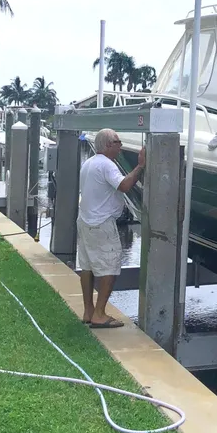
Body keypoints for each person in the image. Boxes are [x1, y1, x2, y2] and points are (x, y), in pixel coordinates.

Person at [77, 128, 145, 328]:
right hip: (101, 223)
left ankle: (88, 310)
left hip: (85, 220)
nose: (121, 146)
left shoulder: (89, 163)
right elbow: (124, 185)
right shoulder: (107, 164)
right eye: (118, 142)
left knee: (87, 267)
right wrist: (140, 166)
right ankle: (99, 314)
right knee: (111, 268)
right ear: (108, 145)